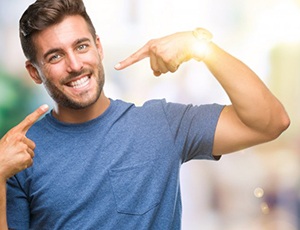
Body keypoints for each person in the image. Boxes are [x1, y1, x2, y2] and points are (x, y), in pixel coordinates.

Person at [0, 0, 290, 229]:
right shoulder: (21, 155)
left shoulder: (161, 124)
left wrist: (202, 49)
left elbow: (270, 122)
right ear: (34, 72)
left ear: (98, 47)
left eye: (82, 46)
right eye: (55, 56)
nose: (75, 64)